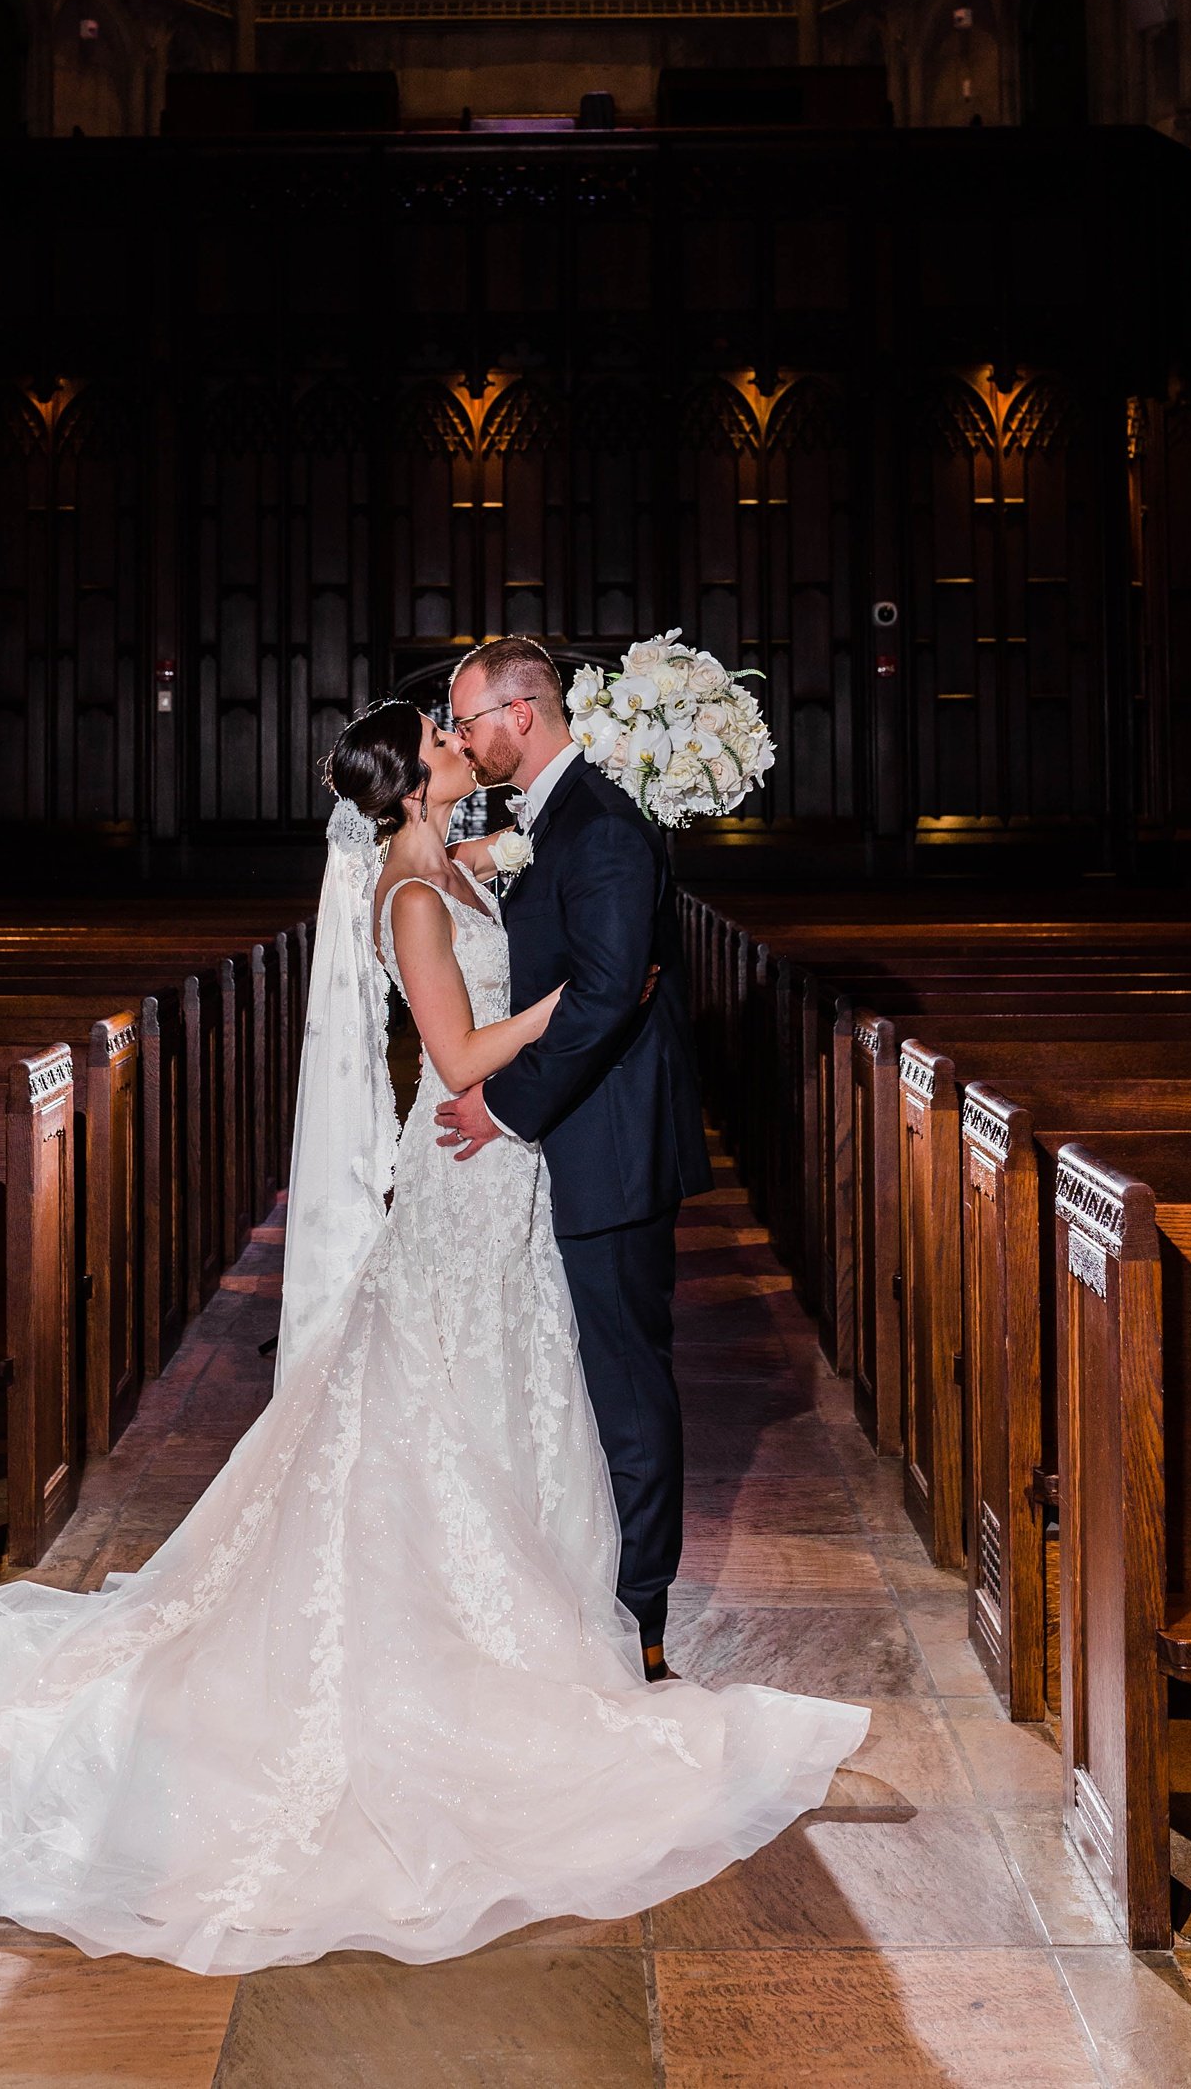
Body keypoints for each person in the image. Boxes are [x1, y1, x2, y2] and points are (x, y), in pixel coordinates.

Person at [0, 699, 866, 1974]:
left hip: (500, 1174)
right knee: (439, 1396)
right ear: (414, 779)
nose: (463, 742)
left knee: (503, 1389)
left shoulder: (459, 863)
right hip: (468, 1166)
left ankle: (529, 1608)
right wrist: (580, 996)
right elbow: (458, 1052)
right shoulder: (412, 897)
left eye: (466, 726)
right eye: (444, 736)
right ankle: (449, 1650)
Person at [434, 636, 706, 1682]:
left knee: (630, 1388)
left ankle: (639, 1621)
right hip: (579, 1144)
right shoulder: (551, 821)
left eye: (467, 720)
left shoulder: (601, 827)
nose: (461, 740)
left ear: (520, 713)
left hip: (613, 1148)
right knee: (585, 1381)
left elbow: (604, 994)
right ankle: (586, 1595)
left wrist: (504, 1107)